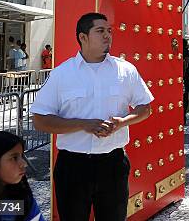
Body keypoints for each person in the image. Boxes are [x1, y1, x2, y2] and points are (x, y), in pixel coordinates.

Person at [30, 12, 153, 221]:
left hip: (113, 165)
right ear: (82, 37)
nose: (107, 35)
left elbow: (145, 108)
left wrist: (123, 122)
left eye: (109, 31)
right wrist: (81, 124)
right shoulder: (62, 74)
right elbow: (40, 119)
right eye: (100, 31)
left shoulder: (126, 70)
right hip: (73, 167)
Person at [182, 39, 189, 125]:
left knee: (184, 97)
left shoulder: (185, 52)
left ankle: (183, 116)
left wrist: (182, 76)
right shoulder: (186, 52)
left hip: (184, 79)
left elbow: (185, 64)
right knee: (185, 98)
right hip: (186, 78)